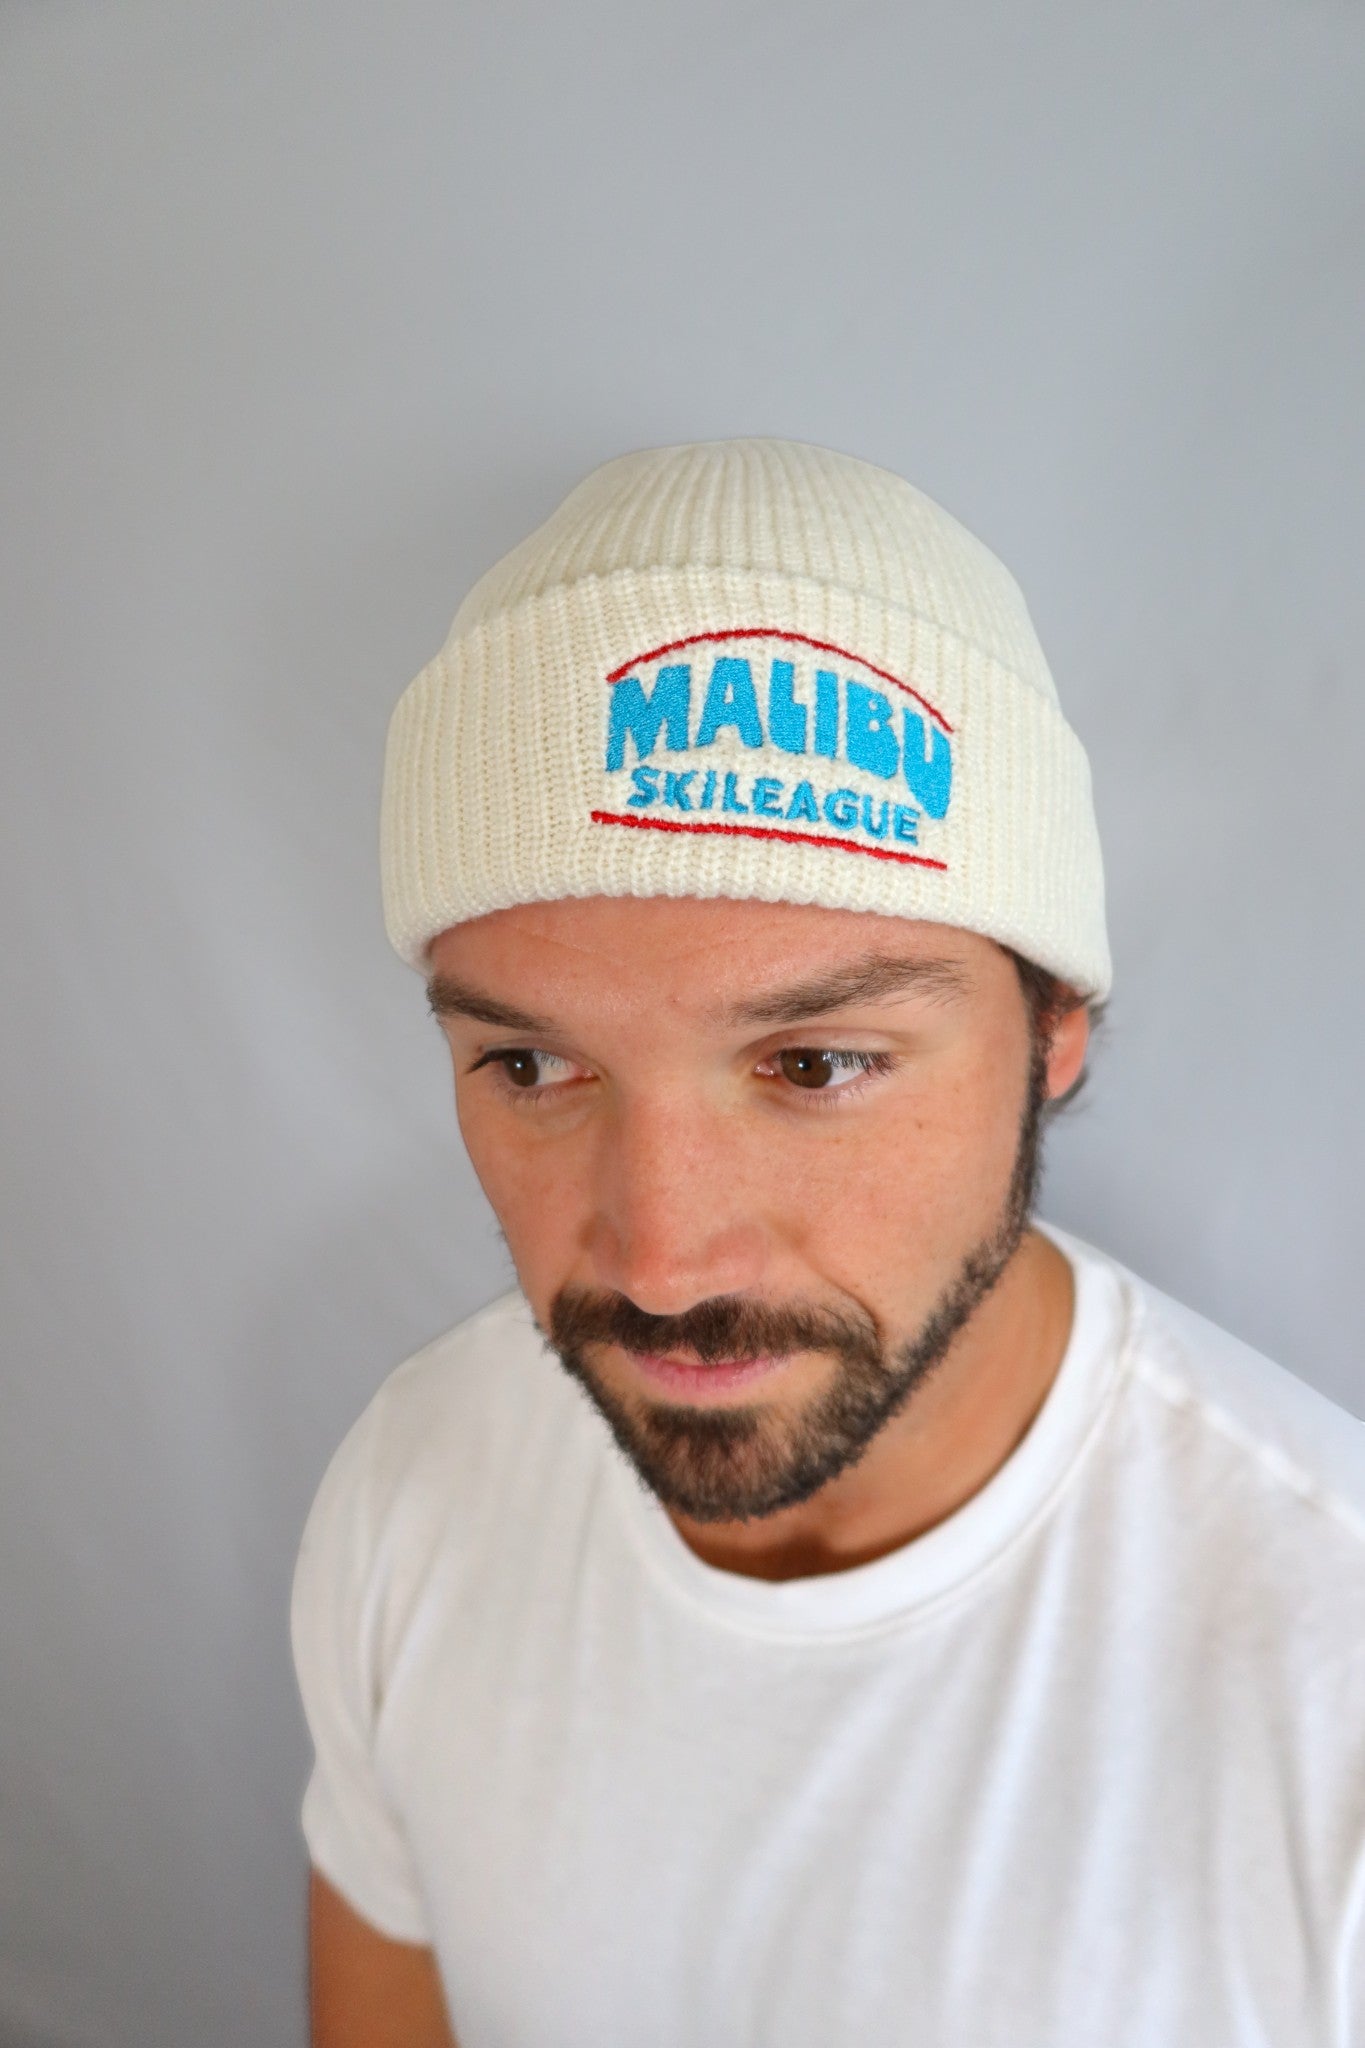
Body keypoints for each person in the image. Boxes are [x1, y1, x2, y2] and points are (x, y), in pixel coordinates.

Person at [290, 438, 1365, 2048]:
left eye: (815, 1065)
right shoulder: (421, 1477)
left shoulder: (1329, 1690)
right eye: (529, 1067)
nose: (661, 1263)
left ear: (1052, 1029)